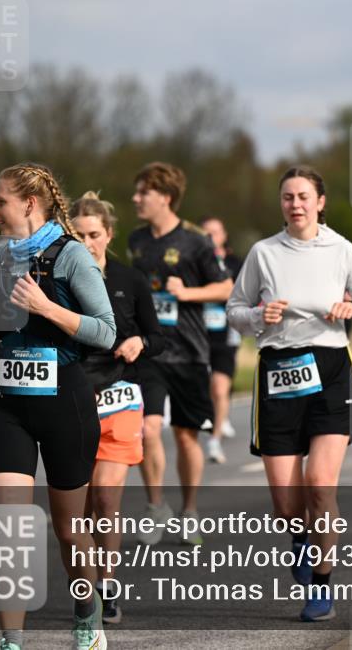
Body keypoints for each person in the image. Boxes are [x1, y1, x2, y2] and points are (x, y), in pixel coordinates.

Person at [227, 166, 352, 622]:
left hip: (330, 369)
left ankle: (321, 583)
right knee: (286, 506)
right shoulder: (263, 253)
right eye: (287, 197)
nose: (295, 204)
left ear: (320, 202)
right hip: (278, 371)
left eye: (303, 196)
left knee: (320, 485)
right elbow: (234, 311)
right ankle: (300, 540)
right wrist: (260, 315)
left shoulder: (341, 250)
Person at [0, 163, 115, 650]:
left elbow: (107, 332)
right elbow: (6, 321)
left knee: (70, 533)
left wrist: (47, 307)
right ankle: (11, 642)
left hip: (63, 403)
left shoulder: (73, 256)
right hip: (8, 403)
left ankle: (86, 611)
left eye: (0, 201)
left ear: (29, 204)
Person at [71, 191, 165, 625]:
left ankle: (107, 585)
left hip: (121, 393)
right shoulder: (60, 281)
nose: (87, 242)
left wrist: (139, 341)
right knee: (83, 506)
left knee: (107, 498)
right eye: (78, 235)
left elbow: (159, 336)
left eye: (93, 234)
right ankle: (87, 587)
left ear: (108, 235)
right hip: (73, 399)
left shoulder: (130, 279)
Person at [127, 163, 233, 546]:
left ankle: (189, 511)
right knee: (146, 429)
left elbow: (226, 288)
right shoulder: (136, 240)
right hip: (151, 352)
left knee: (187, 437)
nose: (136, 199)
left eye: (143, 193)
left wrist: (187, 293)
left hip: (189, 352)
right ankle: (156, 507)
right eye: (137, 192)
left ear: (165, 197)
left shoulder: (196, 241)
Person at [200, 216, 242, 464]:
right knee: (207, 388)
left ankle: (214, 441)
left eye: (215, 233)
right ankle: (219, 414)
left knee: (219, 387)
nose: (211, 238)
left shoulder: (235, 264)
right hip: (199, 336)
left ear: (224, 235)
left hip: (226, 335)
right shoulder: (194, 263)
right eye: (205, 234)